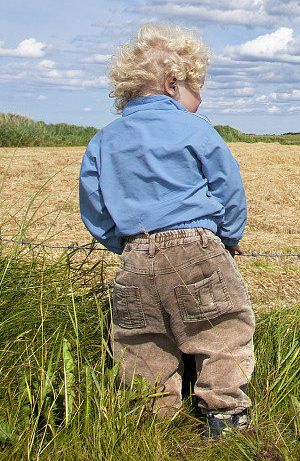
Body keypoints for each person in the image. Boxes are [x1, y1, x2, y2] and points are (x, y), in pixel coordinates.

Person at [78, 23, 254, 438]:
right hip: (198, 246)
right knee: (222, 330)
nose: (201, 98)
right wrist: (227, 237)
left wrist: (121, 242)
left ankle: (153, 424)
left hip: (135, 254)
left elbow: (94, 207)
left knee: (142, 342)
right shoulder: (196, 129)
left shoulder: (104, 140)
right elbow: (228, 189)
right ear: (174, 83)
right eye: (198, 86)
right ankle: (225, 415)